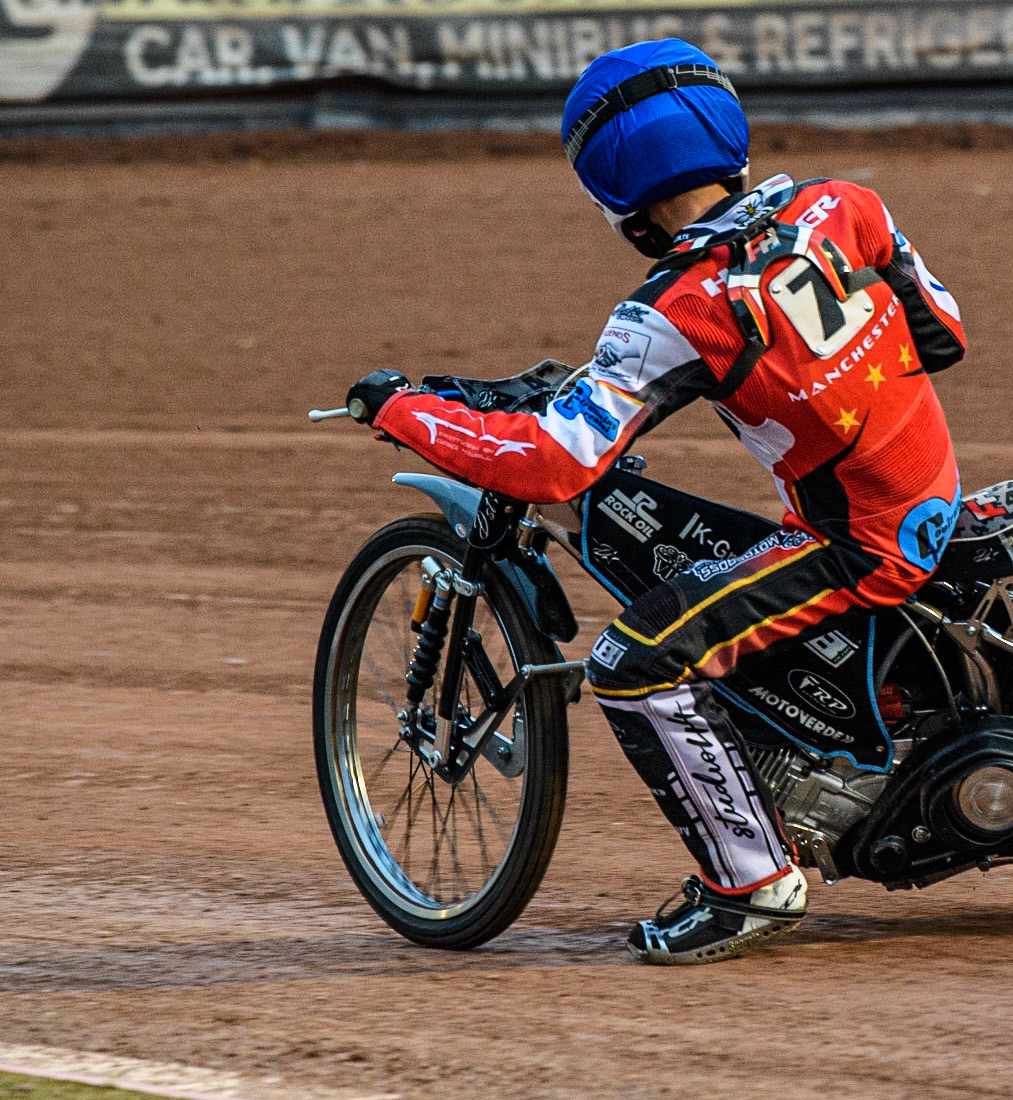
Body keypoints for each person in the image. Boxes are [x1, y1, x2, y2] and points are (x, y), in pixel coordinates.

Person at [344, 38, 968, 964]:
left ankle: (751, 884)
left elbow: (558, 465)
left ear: (613, 187)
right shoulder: (844, 204)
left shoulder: (673, 311)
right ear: (724, 124)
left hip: (858, 543)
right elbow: (943, 331)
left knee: (632, 659)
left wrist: (405, 410)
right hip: (933, 494)